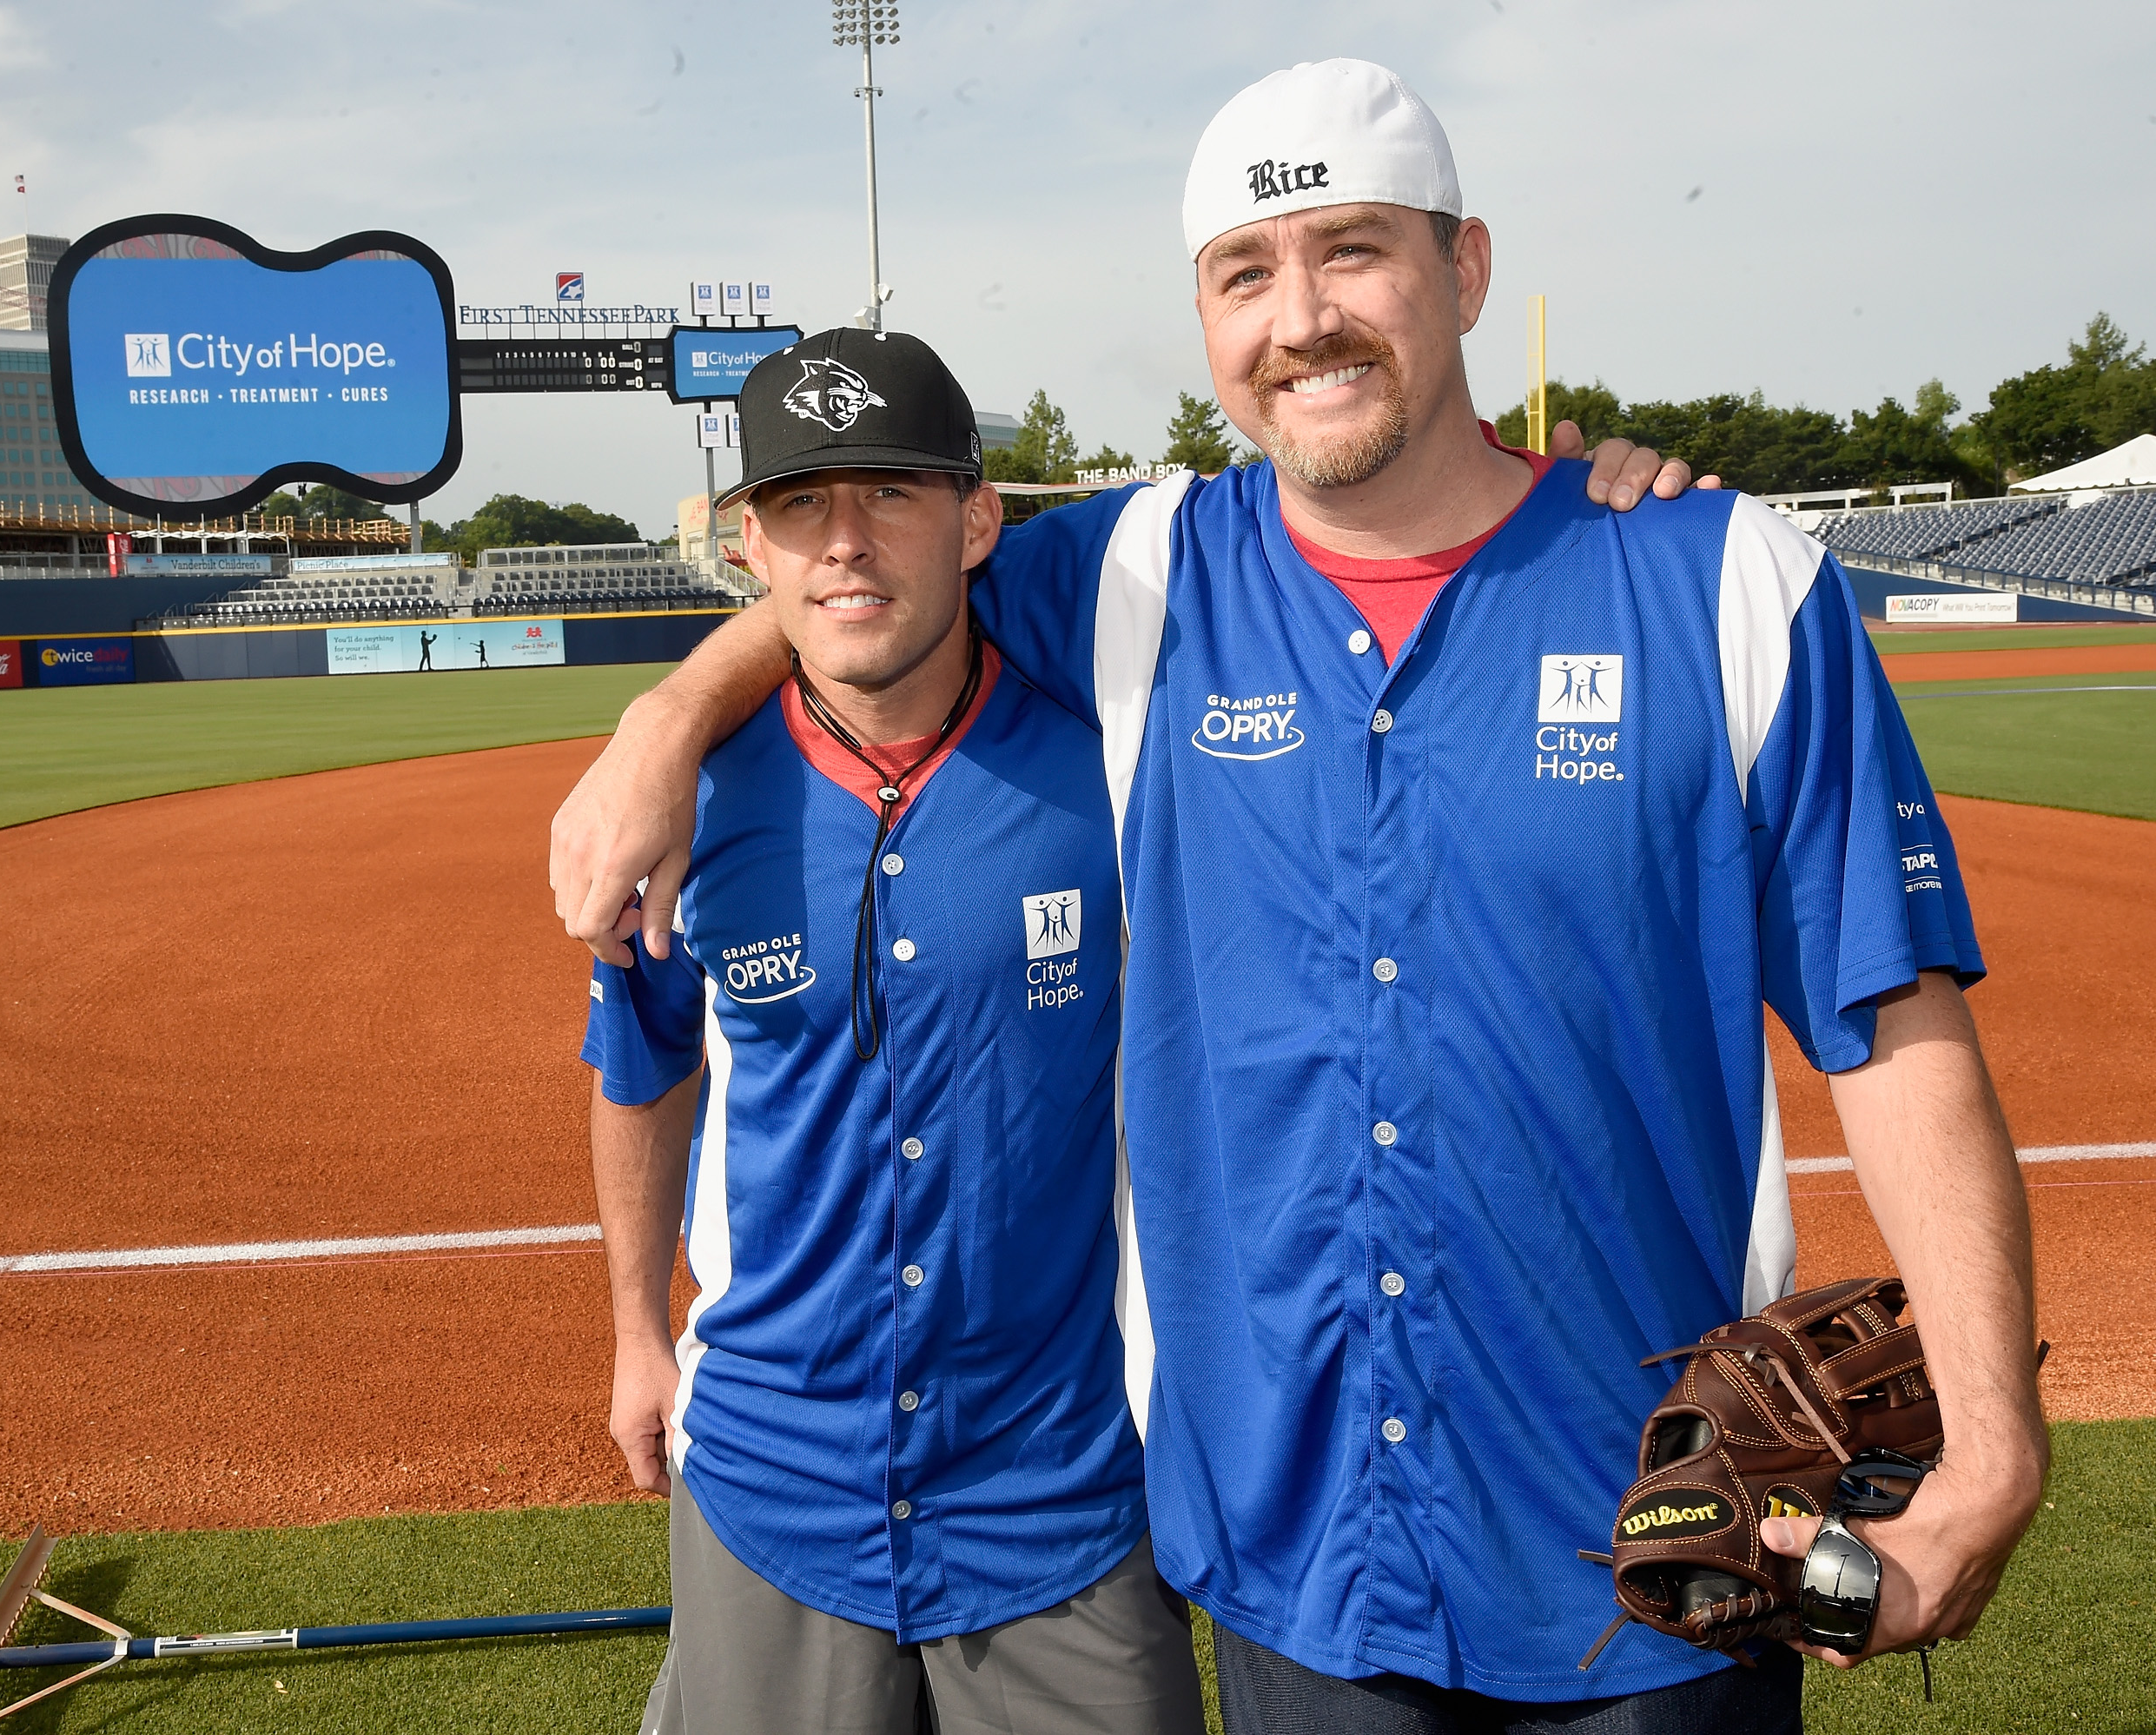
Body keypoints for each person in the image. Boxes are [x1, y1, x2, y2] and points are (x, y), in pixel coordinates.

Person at [552, 59, 2047, 1735]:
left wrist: (1993, 1431)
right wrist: (665, 720)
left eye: (1354, 251)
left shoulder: (1727, 583)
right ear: (1203, 318)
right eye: (1245, 272)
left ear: (1465, 269)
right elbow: (859, 585)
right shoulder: (1139, 575)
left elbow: (1896, 1023)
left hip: (1648, 1564)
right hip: (1298, 1571)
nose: (1302, 315)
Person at [583, 328, 1204, 1734]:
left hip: (1057, 1485)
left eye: (892, 496)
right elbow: (643, 1061)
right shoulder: (693, 804)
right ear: (749, 543)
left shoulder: (1109, 757)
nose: (845, 545)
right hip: (770, 1473)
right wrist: (633, 1330)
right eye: (803, 505)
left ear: (979, 518)